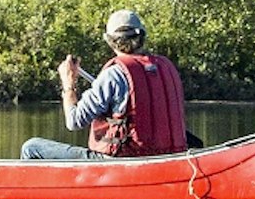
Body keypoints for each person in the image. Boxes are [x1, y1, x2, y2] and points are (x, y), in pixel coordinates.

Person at [18, 10, 190, 162]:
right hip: (170, 158)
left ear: (110, 41)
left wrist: (69, 84)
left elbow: (74, 121)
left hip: (121, 161)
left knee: (31, 147)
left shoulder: (113, 75)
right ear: (142, 37)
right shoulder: (166, 67)